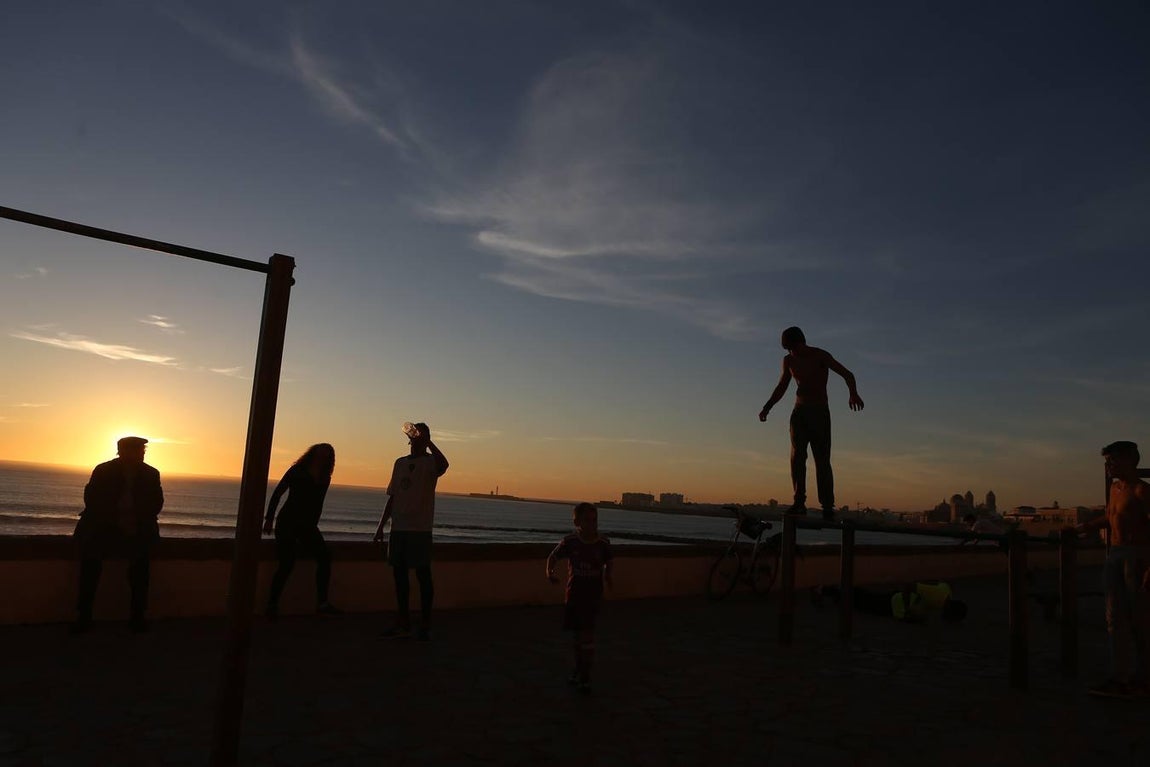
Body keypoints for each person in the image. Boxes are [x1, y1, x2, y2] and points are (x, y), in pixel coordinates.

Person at [758, 326, 863, 521]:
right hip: (799, 414)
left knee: (822, 460)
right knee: (797, 457)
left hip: (820, 413)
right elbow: (782, 386)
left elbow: (848, 374)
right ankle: (799, 502)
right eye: (787, 349)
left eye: (792, 348)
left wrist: (853, 393)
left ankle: (827, 506)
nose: (790, 352)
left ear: (800, 343)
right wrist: (767, 407)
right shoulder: (788, 360)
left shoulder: (820, 356)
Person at [1076, 440, 1150, 698]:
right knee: (1114, 619)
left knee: (1141, 621)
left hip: (1137, 557)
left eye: (1112, 460)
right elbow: (1111, 517)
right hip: (1115, 555)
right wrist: (1084, 528)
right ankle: (1120, 678)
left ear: (1130, 460)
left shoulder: (1142, 491)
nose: (1108, 466)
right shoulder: (1115, 490)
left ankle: (1144, 679)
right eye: (1107, 461)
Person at [72, 436, 164, 634]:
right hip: (104, 527)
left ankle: (137, 617)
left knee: (140, 570)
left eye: (142, 450)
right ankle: (85, 616)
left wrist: (133, 520)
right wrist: (117, 520)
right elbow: (93, 501)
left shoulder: (151, 474)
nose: (141, 453)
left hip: (136, 528)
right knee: (91, 565)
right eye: (138, 450)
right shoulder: (104, 470)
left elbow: (156, 504)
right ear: (122, 451)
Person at [374, 422, 449, 641]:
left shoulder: (430, 463)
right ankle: (403, 620)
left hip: (420, 529)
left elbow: (445, 464)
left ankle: (425, 622)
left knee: (423, 575)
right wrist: (380, 527)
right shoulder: (399, 463)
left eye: (421, 435)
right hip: (399, 528)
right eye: (415, 434)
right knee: (399, 576)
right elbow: (393, 497)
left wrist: (430, 443)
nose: (416, 438)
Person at [263, 443, 340, 618]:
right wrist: (269, 519)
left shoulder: (324, 476)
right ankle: (272, 604)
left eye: (327, 455)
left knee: (324, 558)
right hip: (287, 522)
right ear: (313, 453)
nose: (323, 456)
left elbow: (318, 503)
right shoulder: (297, 470)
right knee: (287, 563)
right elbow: (278, 493)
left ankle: (322, 603)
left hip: (307, 525)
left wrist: (313, 525)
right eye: (321, 452)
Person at [546, 503, 614, 693]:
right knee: (578, 637)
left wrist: (608, 577)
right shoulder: (570, 542)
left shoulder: (603, 543)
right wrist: (549, 572)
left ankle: (585, 676)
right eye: (587, 520)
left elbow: (609, 562)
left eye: (595, 520)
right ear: (577, 522)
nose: (592, 524)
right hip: (574, 596)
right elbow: (553, 556)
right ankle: (579, 669)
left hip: (592, 597)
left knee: (587, 635)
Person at [813, 581, 967, 624]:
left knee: (862, 597)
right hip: (893, 605)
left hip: (894, 601)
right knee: (860, 602)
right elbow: (909, 586)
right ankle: (826, 589)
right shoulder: (937, 598)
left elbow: (944, 583)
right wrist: (907, 609)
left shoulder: (946, 593)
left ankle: (833, 591)